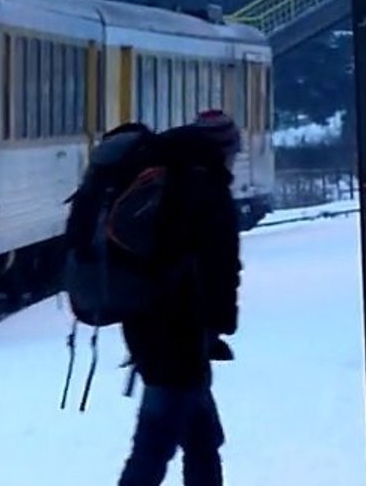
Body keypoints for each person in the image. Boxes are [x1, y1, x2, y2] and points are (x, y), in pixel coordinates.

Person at [117, 110, 243, 486]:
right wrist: (219, 325)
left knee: (203, 440)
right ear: (222, 150)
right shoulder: (205, 188)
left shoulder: (161, 175)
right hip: (181, 334)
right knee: (153, 447)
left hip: (146, 322)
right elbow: (221, 267)